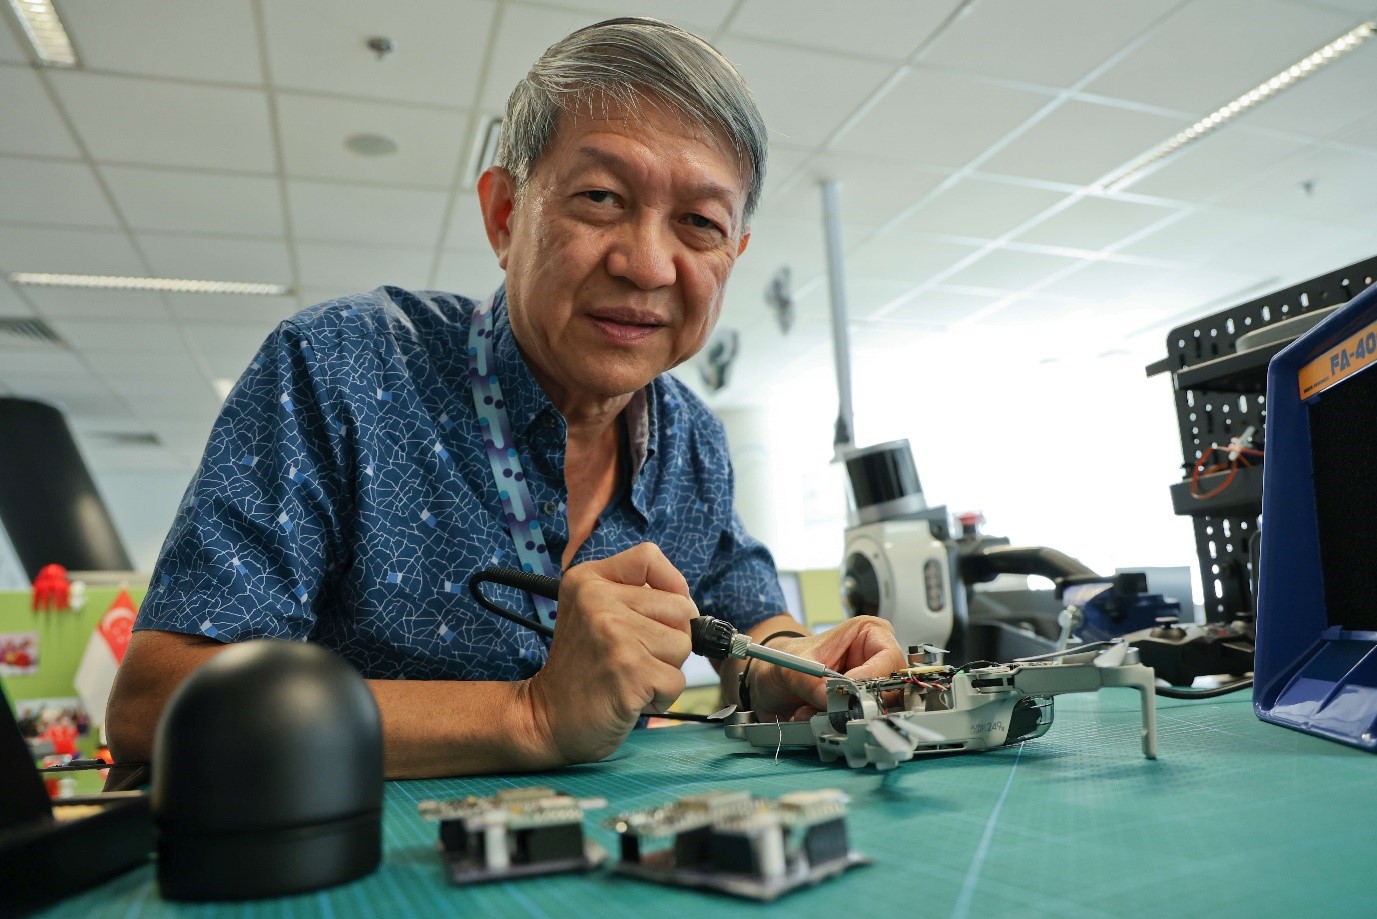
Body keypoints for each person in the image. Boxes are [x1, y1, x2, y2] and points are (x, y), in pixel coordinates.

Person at [106, 17, 903, 778]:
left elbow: (751, 621)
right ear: (503, 213)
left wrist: (795, 661)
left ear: (733, 254)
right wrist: (529, 714)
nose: (649, 264)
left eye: (698, 221)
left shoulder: (689, 436)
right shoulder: (339, 368)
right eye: (600, 197)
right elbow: (156, 703)